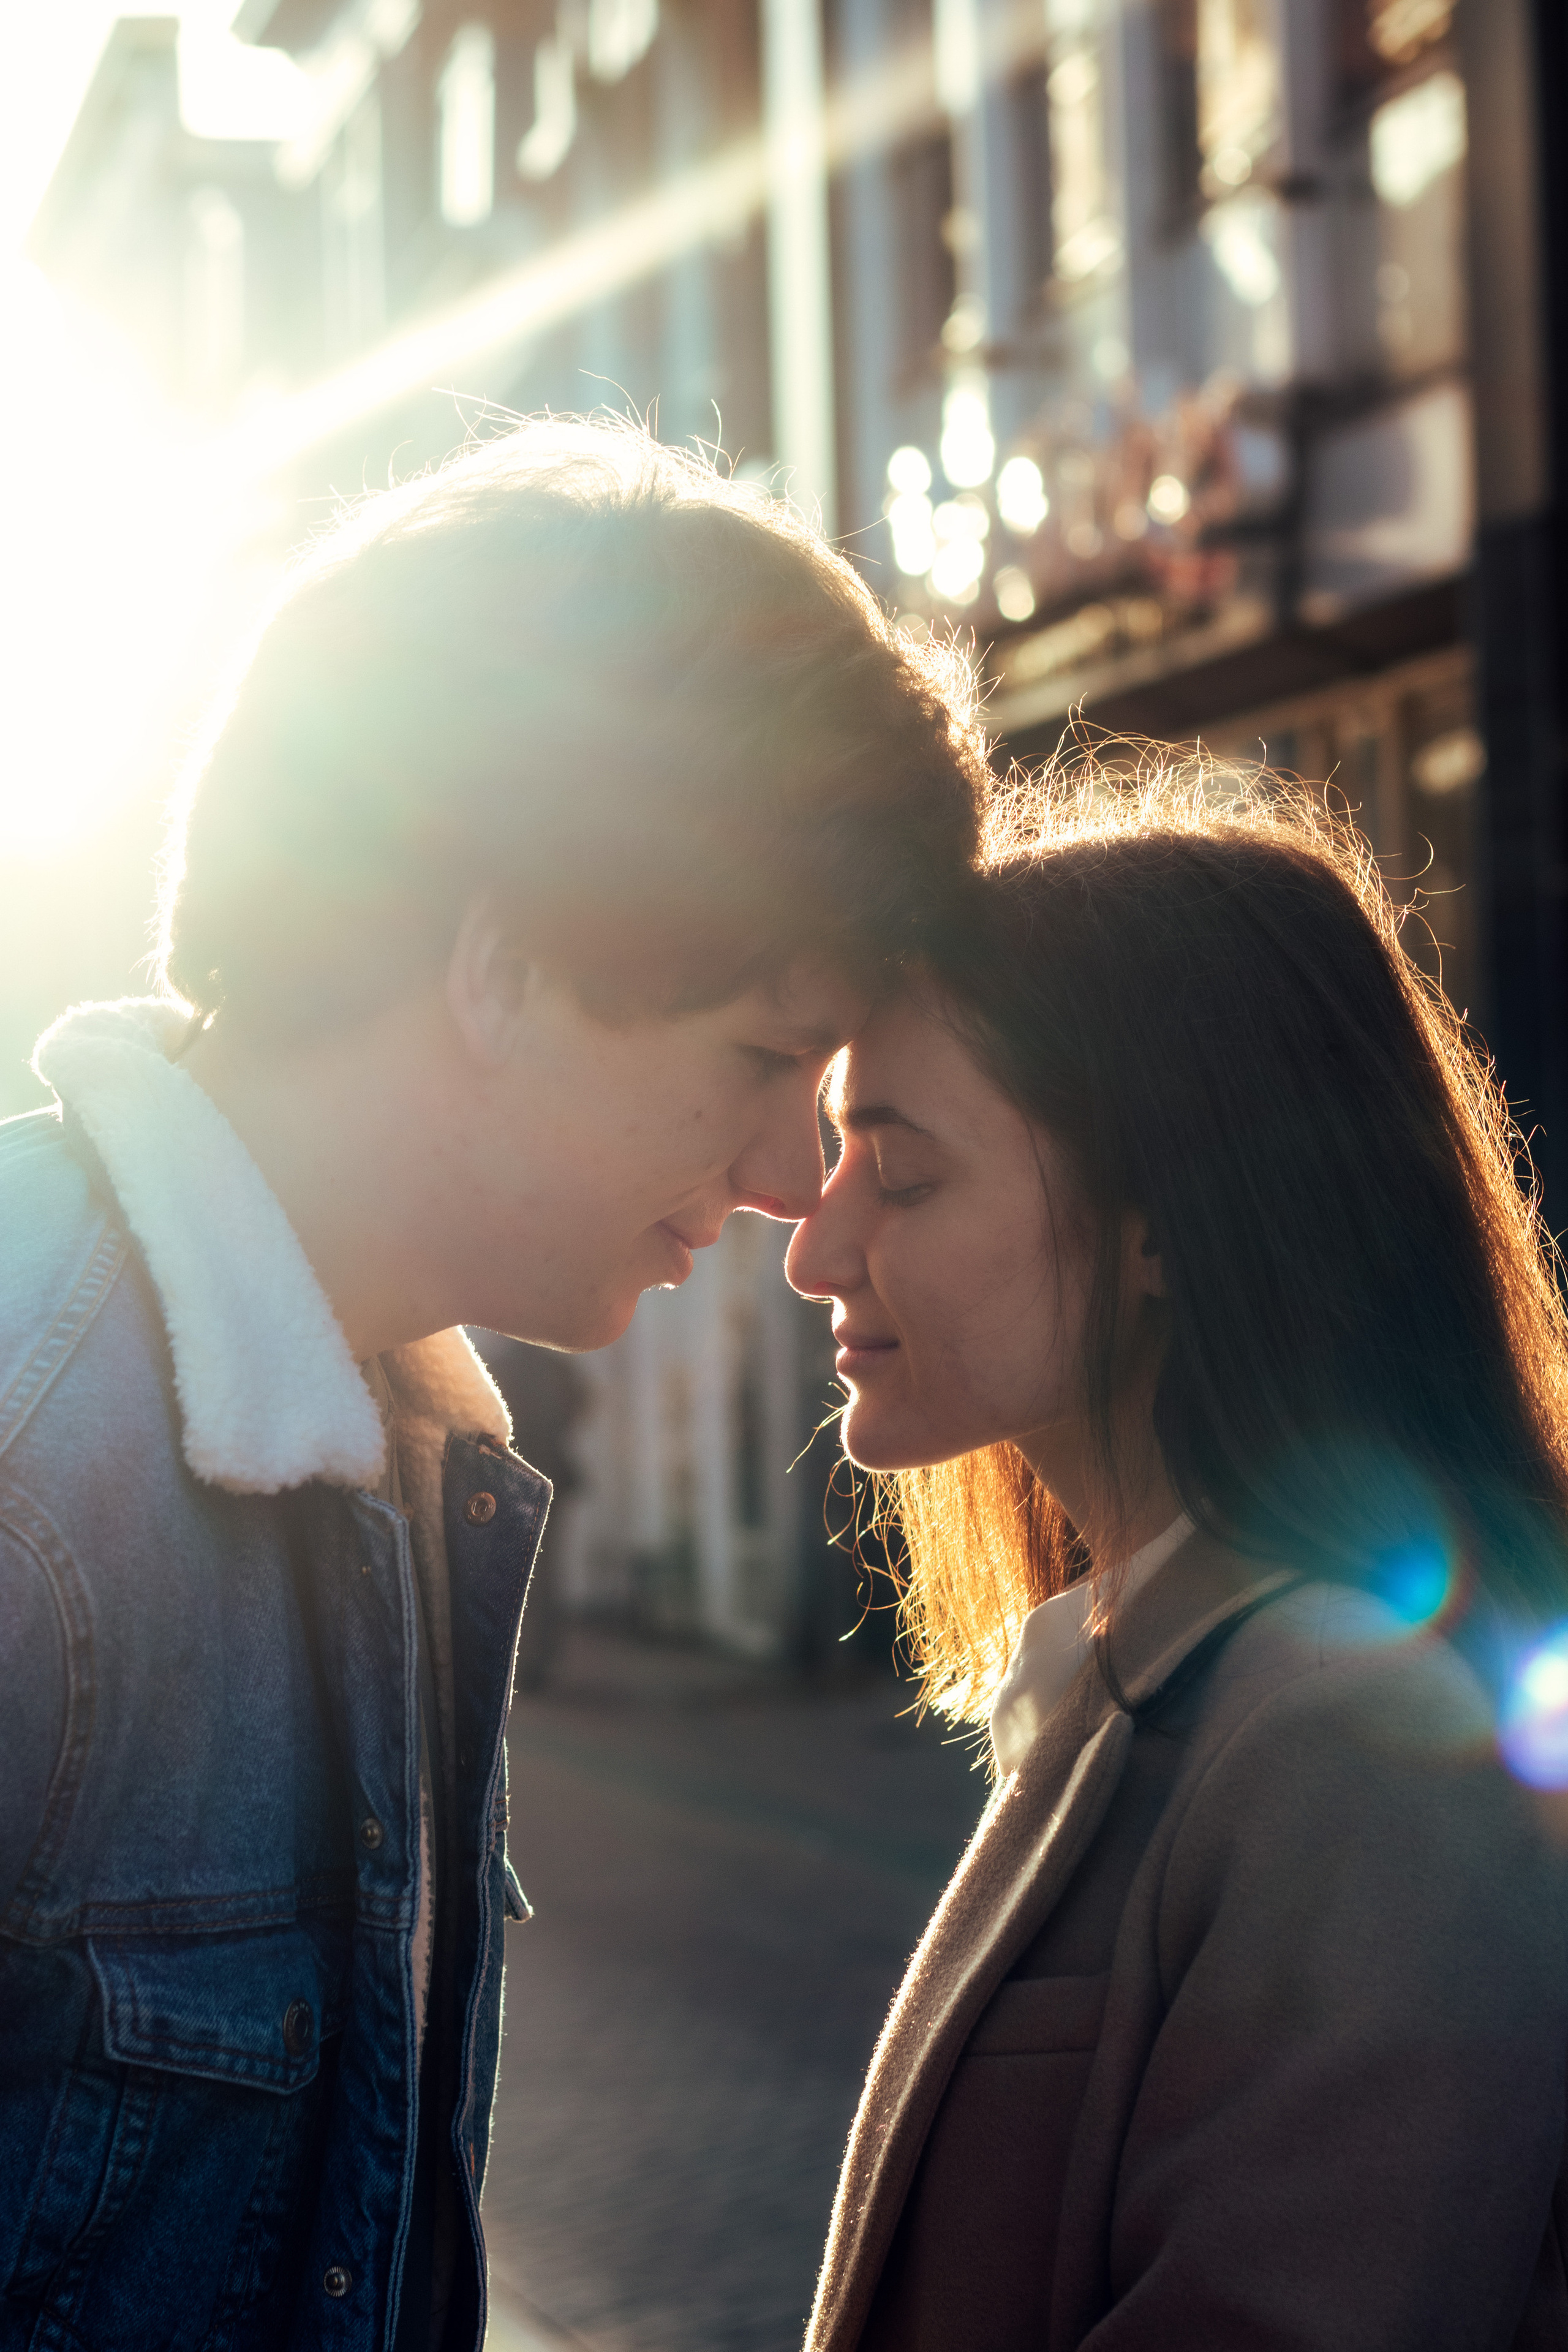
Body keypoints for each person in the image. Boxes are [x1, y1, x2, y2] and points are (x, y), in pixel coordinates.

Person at [0, 417, 990, 2352]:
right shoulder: (32, 1453)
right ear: (503, 969)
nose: (800, 1178)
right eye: (764, 1050)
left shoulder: (393, 1449)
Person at [786, 752, 1568, 2352]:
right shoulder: (1158, 1668)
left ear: (1164, 1218)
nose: (817, 1244)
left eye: (907, 1171)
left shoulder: (1361, 1740)